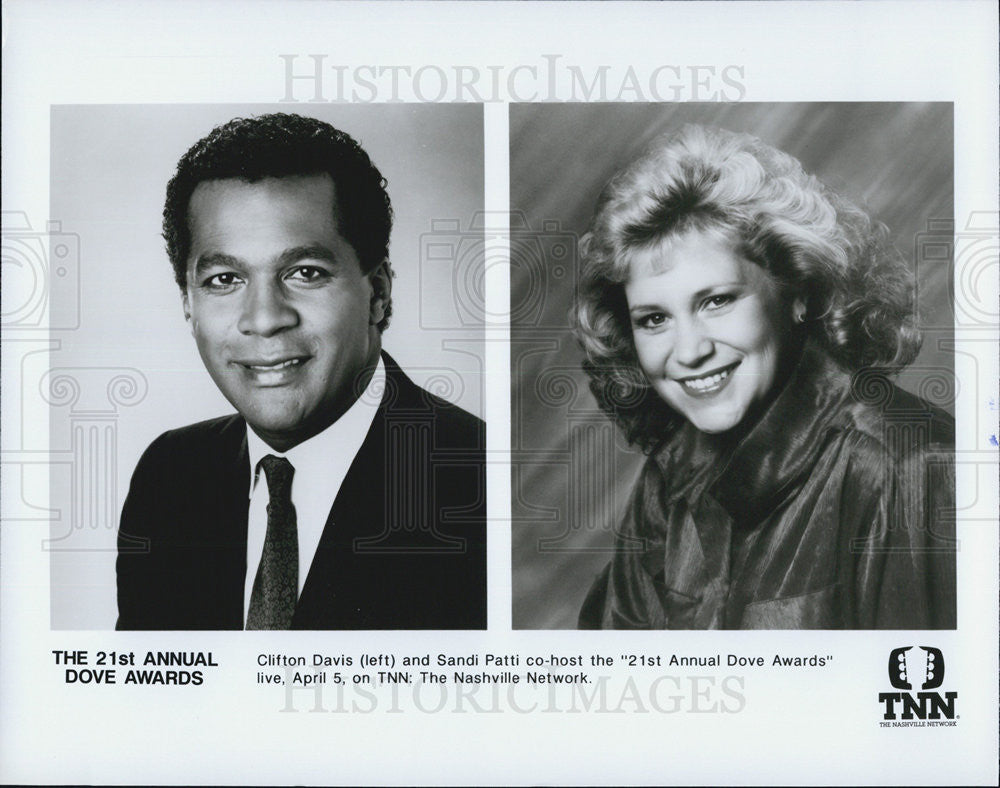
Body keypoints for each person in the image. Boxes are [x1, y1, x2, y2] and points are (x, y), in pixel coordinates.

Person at [575, 125, 955, 630]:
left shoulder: (909, 465)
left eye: (717, 301)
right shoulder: (670, 477)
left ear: (799, 291)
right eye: (654, 319)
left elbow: (920, 697)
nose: (689, 351)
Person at [116, 113, 486, 630]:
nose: (265, 319)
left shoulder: (480, 483)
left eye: (305, 273)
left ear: (378, 293)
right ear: (188, 305)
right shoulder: (169, 479)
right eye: (224, 279)